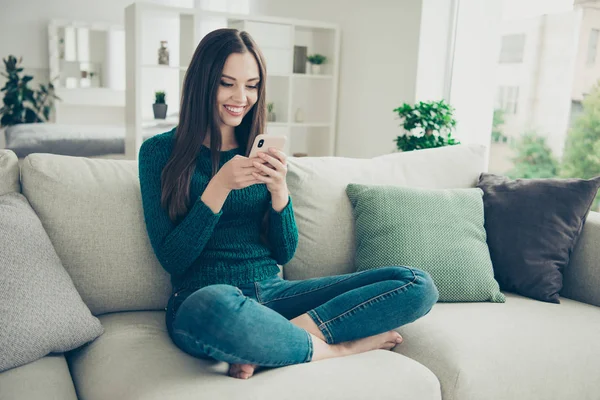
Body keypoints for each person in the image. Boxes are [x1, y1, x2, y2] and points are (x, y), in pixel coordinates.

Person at [138, 28, 439, 380]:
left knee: (416, 284)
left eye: (251, 85)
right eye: (226, 83)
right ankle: (335, 349)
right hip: (202, 296)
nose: (241, 96)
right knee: (213, 306)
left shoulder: (260, 151)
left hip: (274, 294)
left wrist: (280, 192)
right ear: (202, 83)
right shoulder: (159, 153)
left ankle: (274, 341)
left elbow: (283, 253)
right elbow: (172, 258)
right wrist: (218, 187)